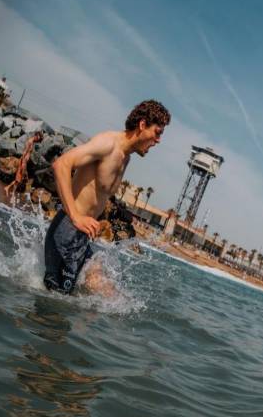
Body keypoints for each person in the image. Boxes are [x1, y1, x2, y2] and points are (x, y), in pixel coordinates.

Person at [43, 100, 169, 293]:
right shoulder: (108, 144)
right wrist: (76, 217)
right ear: (142, 125)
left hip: (83, 237)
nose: (158, 140)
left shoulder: (125, 157)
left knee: (107, 294)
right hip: (67, 232)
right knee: (54, 306)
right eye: (157, 132)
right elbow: (61, 164)